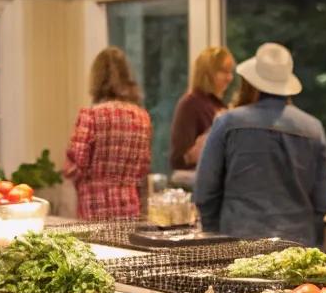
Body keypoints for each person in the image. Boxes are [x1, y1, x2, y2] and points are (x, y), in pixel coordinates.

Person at [194, 43, 326, 245]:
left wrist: (214, 232)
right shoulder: (313, 128)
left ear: (251, 82)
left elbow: (205, 191)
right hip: (298, 244)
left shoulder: (228, 123)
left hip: (238, 239)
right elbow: (322, 202)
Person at [63, 47, 152, 220]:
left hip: (94, 204)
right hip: (130, 206)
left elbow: (75, 166)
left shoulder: (91, 115)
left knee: (97, 247)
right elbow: (143, 168)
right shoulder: (142, 117)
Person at [169, 46, 235, 170]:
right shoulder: (190, 104)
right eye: (224, 72)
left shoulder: (219, 105)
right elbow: (177, 160)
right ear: (207, 73)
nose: (229, 78)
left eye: (230, 72)